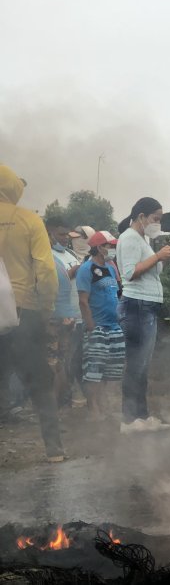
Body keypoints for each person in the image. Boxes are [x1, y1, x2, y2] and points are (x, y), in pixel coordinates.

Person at [0, 166, 67, 461]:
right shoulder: (28, 220)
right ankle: (53, 449)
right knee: (40, 382)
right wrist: (45, 309)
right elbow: (46, 271)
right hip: (22, 312)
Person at [115, 196, 170, 432]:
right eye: (155, 219)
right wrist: (158, 255)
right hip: (137, 304)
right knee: (136, 365)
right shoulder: (129, 238)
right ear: (141, 217)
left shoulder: (142, 239)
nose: (157, 224)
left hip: (146, 304)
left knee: (142, 365)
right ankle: (129, 420)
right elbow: (130, 273)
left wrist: (164, 259)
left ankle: (141, 416)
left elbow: (153, 270)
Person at [76, 230, 124, 419]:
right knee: (94, 369)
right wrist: (91, 326)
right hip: (98, 327)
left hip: (114, 326)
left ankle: (102, 404)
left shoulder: (111, 268)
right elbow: (83, 300)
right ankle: (93, 407)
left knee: (110, 369)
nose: (112, 249)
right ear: (98, 247)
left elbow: (117, 294)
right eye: (109, 245)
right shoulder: (86, 270)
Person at [48, 224, 83, 406]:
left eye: (67, 235)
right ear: (50, 233)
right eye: (61, 234)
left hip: (72, 315)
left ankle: (65, 399)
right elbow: (51, 284)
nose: (66, 238)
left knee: (67, 359)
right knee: (54, 361)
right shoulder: (47, 256)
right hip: (56, 317)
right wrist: (74, 271)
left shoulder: (70, 254)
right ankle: (53, 404)